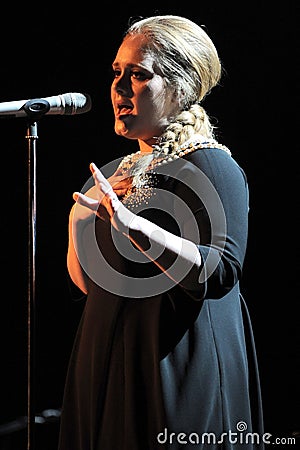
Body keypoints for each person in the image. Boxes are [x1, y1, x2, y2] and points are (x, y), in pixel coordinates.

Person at [57, 14, 265, 450]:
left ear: (179, 86)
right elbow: (90, 284)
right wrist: (79, 222)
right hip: (109, 366)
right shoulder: (119, 172)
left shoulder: (211, 165)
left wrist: (134, 226)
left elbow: (221, 270)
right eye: (116, 73)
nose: (118, 89)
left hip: (171, 366)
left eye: (137, 75)